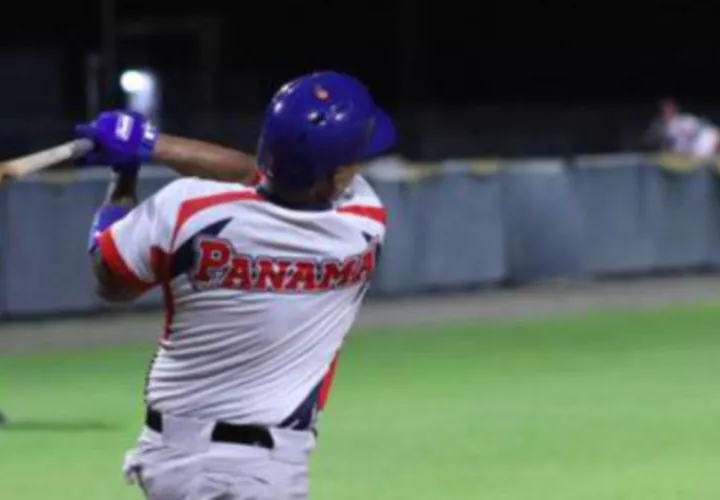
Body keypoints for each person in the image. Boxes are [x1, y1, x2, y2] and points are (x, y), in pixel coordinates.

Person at [76, 71, 395, 499]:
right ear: (336, 177)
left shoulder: (184, 209)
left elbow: (111, 282)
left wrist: (128, 170)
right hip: (266, 469)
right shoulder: (362, 225)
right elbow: (251, 174)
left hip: (169, 462)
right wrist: (151, 144)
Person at [645, 97, 720, 161]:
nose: (667, 111)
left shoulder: (685, 121)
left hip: (696, 154)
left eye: (669, 108)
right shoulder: (657, 125)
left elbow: (707, 130)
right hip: (679, 157)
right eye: (664, 110)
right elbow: (649, 141)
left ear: (674, 109)